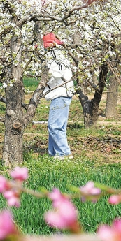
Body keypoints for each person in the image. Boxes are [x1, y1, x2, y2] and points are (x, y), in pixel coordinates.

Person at [42, 32, 75, 160]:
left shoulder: (55, 56)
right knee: (58, 126)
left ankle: (64, 153)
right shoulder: (61, 55)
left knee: (54, 126)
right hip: (63, 93)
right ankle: (54, 153)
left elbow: (55, 73)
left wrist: (44, 76)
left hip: (61, 94)